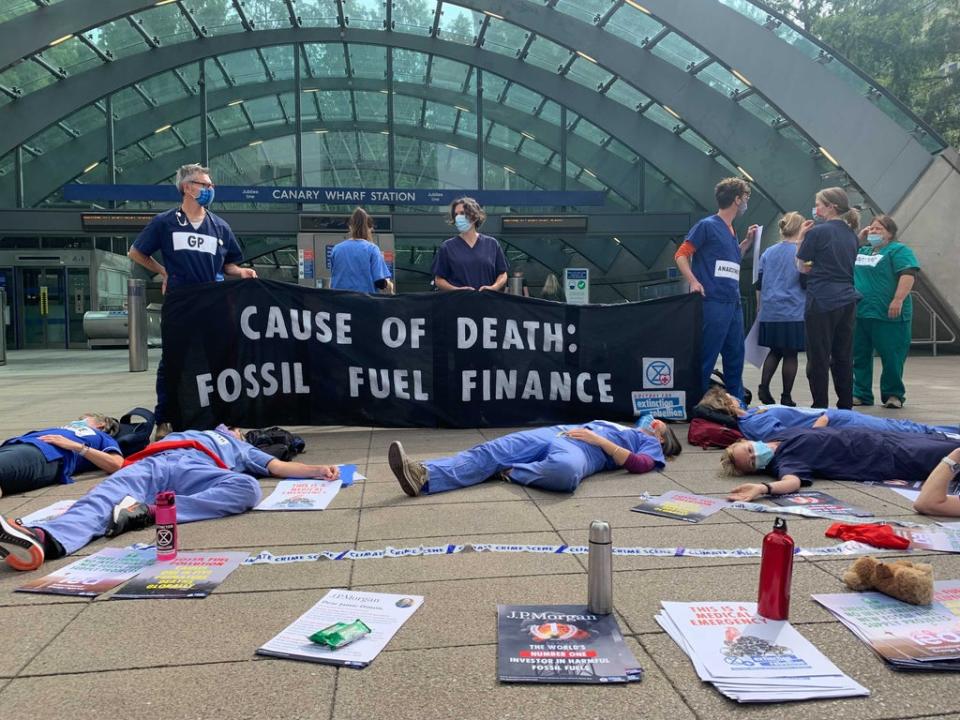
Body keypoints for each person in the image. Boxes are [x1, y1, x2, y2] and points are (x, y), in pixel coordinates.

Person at [0, 425, 339, 571]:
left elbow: (278, 467)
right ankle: (46, 540)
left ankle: (148, 513)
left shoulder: (241, 447)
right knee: (101, 498)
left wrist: (316, 469)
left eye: (233, 428)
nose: (228, 428)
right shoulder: (182, 431)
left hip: (195, 470)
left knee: (247, 489)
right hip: (151, 464)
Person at [128, 164, 258, 439]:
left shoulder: (219, 226)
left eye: (211, 185)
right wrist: (164, 272)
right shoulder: (165, 222)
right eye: (205, 185)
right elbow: (137, 252)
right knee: (173, 361)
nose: (210, 190)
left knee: (222, 360)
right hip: (181, 302)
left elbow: (229, 264)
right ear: (187, 187)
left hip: (214, 303)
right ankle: (166, 419)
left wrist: (241, 272)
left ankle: (226, 419)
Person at [387, 417, 681, 497]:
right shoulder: (628, 426)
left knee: (565, 474)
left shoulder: (649, 442)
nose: (654, 422)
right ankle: (424, 476)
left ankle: (510, 472)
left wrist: (597, 440)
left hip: (584, 449)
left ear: (660, 438)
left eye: (660, 426)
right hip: (560, 432)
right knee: (491, 450)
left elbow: (641, 465)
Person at [719, 427, 960, 518]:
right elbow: (792, 482)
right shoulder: (785, 461)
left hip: (885, 437)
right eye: (751, 462)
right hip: (890, 457)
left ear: (748, 440)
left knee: (943, 444)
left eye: (749, 450)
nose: (754, 455)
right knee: (949, 455)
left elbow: (817, 431)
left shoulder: (782, 437)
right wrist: (763, 488)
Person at [674, 177, 758, 401]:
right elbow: (681, 254)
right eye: (746, 197)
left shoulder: (731, 231)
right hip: (713, 301)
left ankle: (737, 404)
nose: (747, 202)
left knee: (735, 356)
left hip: (733, 301)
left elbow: (731, 260)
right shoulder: (707, 226)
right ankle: (697, 405)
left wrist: (747, 243)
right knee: (707, 356)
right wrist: (693, 281)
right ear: (737, 199)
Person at [795, 187, 861, 409]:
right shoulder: (851, 234)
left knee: (819, 357)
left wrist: (801, 238)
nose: (816, 208)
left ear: (831, 206)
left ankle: (820, 406)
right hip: (848, 300)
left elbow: (801, 266)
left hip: (822, 300)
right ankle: (845, 406)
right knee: (843, 356)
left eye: (819, 203)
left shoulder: (817, 232)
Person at [699, 386, 957, 441]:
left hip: (837, 418)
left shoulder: (755, 414)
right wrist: (824, 421)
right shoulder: (755, 423)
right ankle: (951, 437)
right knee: (903, 431)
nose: (735, 396)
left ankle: (951, 433)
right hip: (837, 422)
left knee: (901, 427)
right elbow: (791, 438)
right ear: (726, 403)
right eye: (730, 396)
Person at [852, 215, 919, 409]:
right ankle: (861, 393)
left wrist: (898, 299)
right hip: (861, 313)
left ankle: (893, 394)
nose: (873, 232)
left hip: (888, 314)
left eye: (879, 229)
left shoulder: (898, 250)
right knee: (859, 355)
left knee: (892, 356)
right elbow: (843, 252)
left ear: (890, 233)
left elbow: (908, 274)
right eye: (871, 228)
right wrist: (860, 236)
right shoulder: (862, 250)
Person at [754, 212, 806, 406]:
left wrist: (760, 307)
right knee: (790, 354)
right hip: (793, 310)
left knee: (774, 351)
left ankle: (764, 386)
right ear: (801, 228)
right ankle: (786, 396)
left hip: (770, 311)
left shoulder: (768, 252)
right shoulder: (801, 252)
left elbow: (759, 283)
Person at [0, 414, 122, 496]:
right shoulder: (62, 429)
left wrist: (76, 446)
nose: (76, 421)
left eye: (83, 419)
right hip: (19, 446)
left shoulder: (101, 436)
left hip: (43, 453)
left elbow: (116, 464)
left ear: (100, 424)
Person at [432, 197, 508, 292]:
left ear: (474, 216)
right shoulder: (447, 247)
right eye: (456, 214)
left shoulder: (492, 244)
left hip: (487, 302)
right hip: (458, 302)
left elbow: (502, 274)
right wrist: (457, 290)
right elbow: (439, 280)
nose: (458, 217)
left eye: (462, 213)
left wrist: (494, 287)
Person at [329, 207, 394, 294]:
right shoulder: (372, 249)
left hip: (340, 302)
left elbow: (334, 277)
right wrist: (389, 285)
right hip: (364, 302)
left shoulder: (336, 249)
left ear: (350, 227)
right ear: (369, 229)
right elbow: (380, 283)